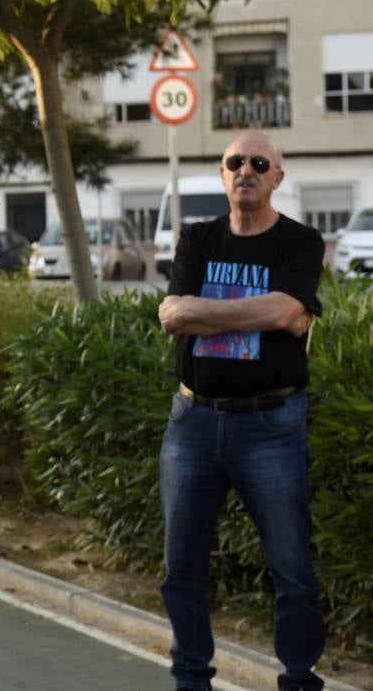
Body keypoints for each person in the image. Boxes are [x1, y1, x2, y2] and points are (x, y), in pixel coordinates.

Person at [157, 130, 326, 691]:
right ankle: (191, 680)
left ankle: (299, 681)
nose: (246, 170)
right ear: (222, 174)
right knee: (181, 569)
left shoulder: (299, 242)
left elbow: (285, 311)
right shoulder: (197, 239)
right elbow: (173, 319)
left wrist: (200, 309)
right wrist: (266, 312)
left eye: (260, 162)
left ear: (278, 177)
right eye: (235, 162)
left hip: (271, 426)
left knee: (292, 570)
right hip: (193, 422)